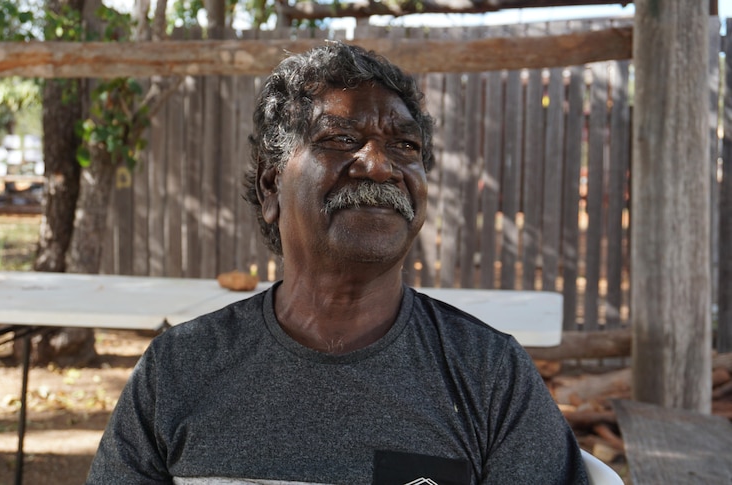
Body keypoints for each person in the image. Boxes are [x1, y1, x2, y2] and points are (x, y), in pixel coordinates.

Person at [86, 42, 588, 484]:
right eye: (341, 139)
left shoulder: (489, 376)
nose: (379, 164)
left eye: (405, 145)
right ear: (270, 186)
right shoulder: (178, 370)